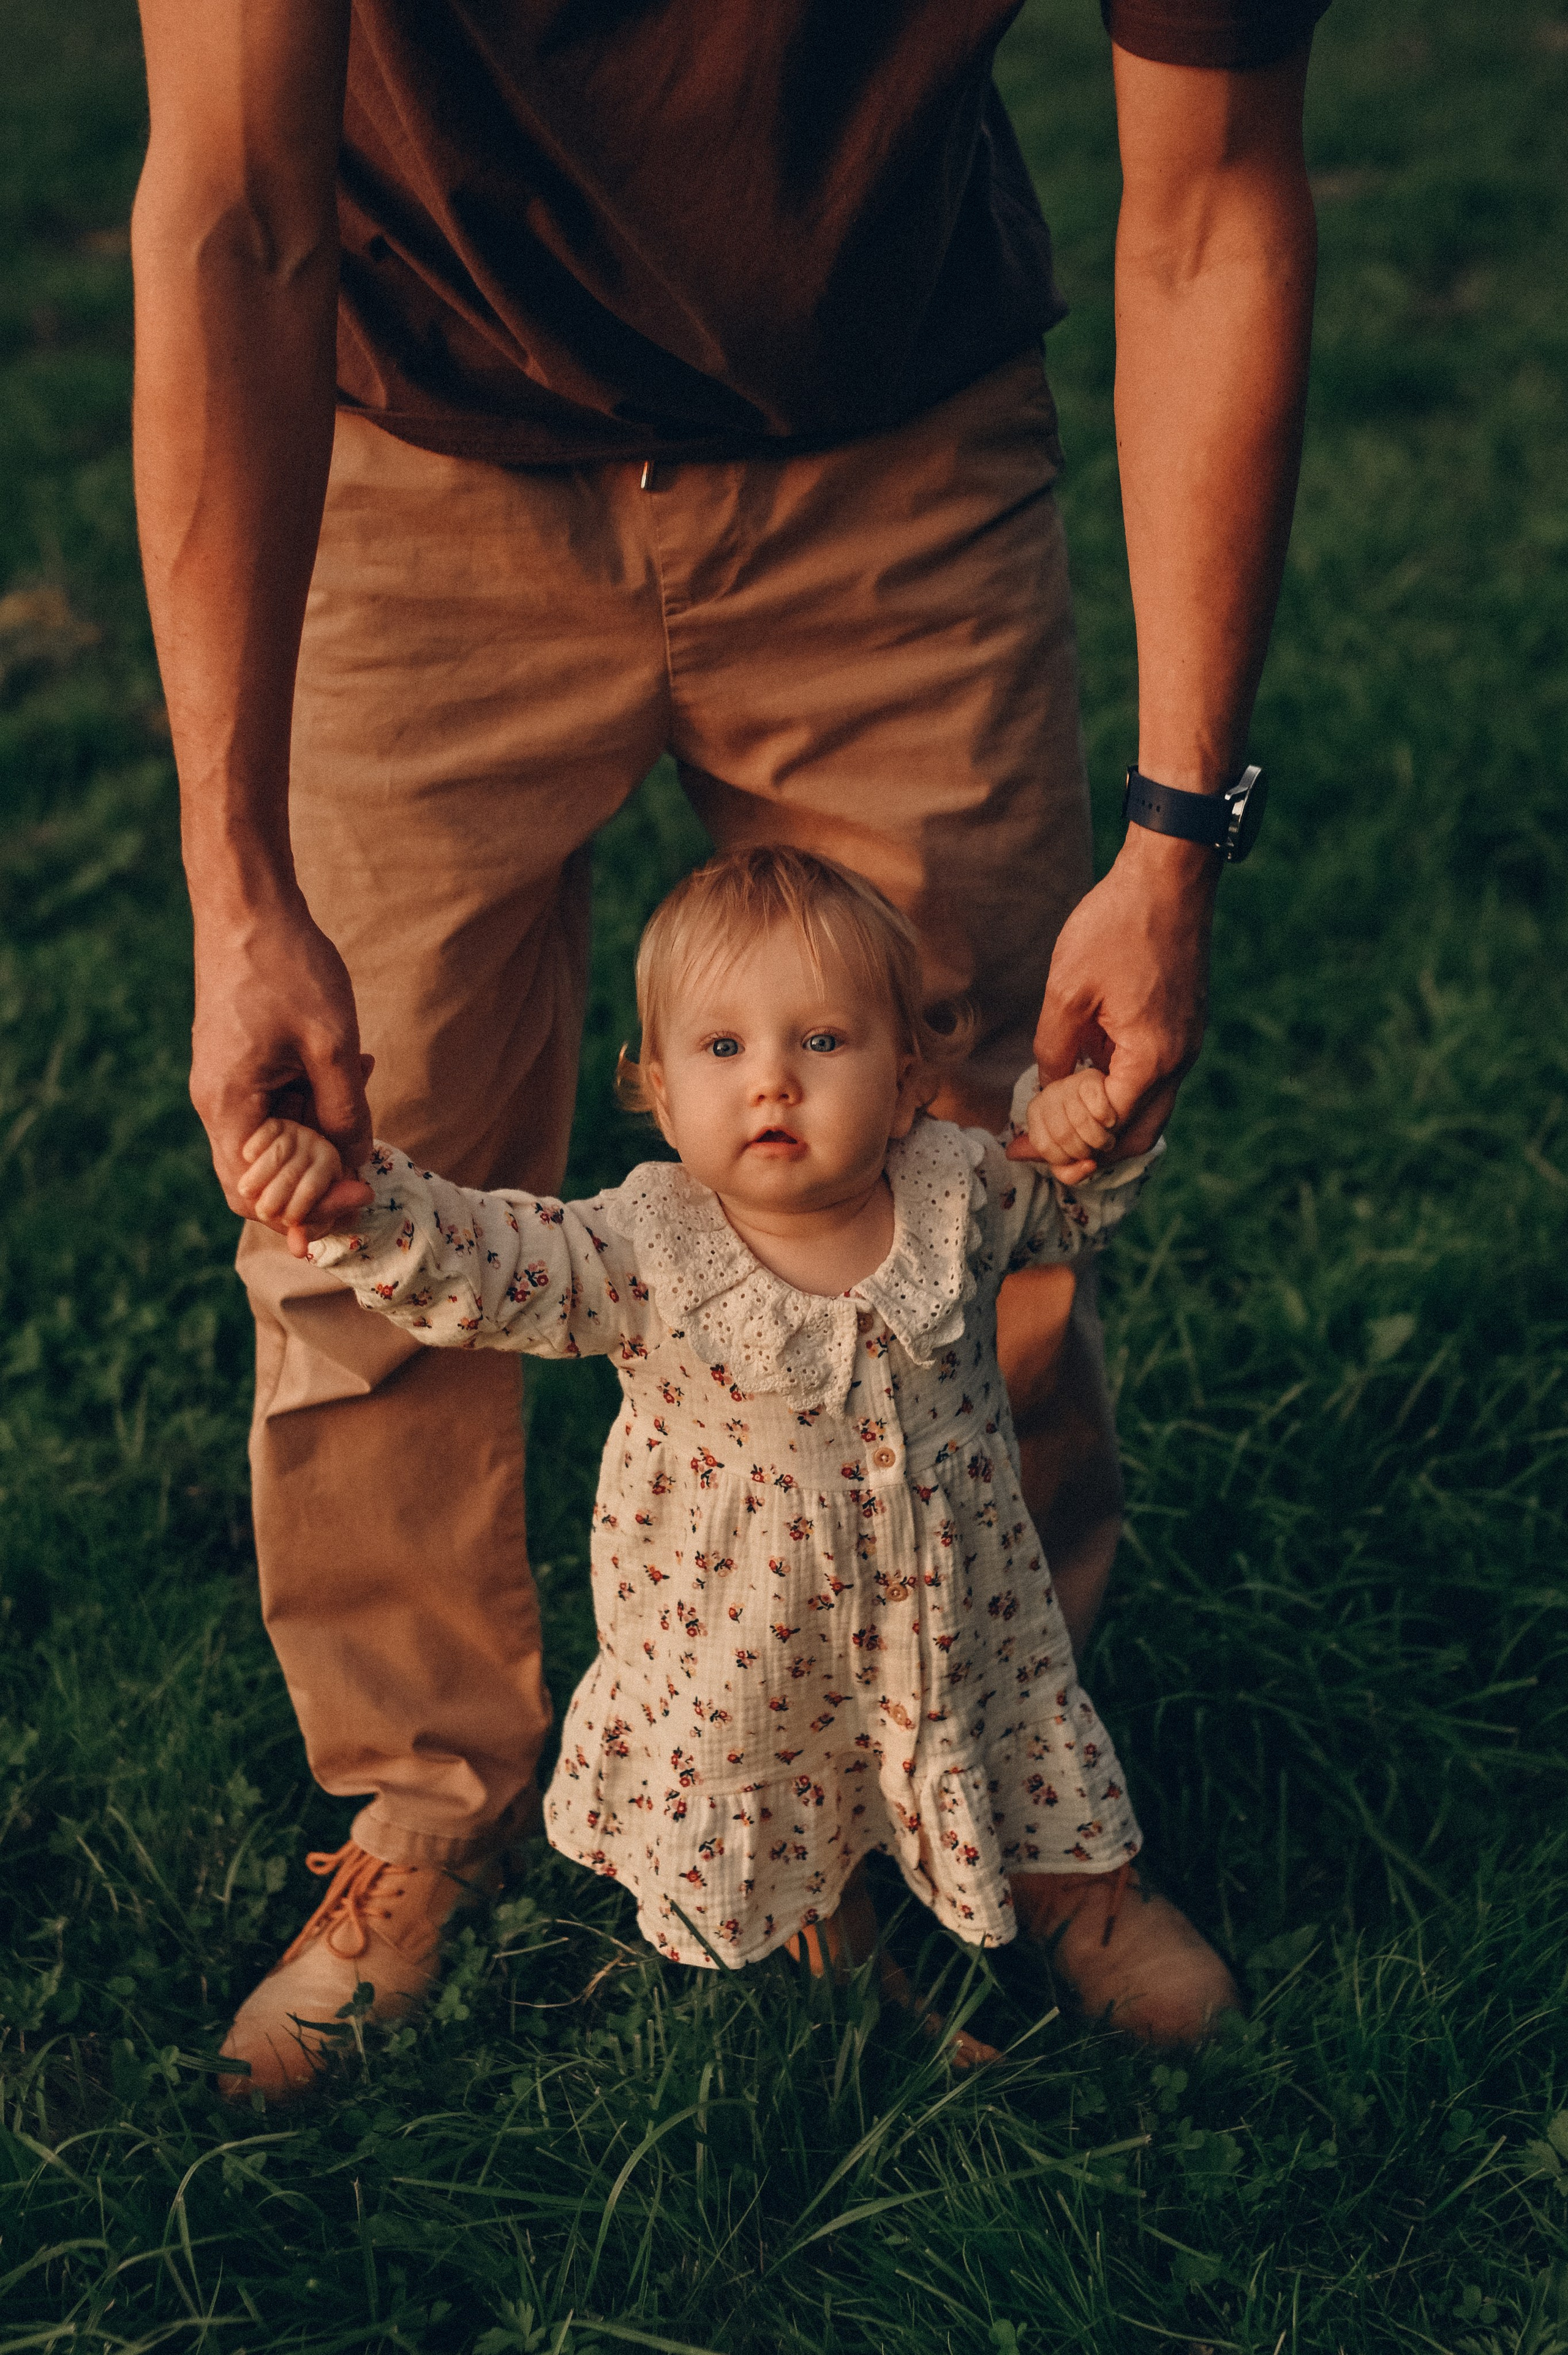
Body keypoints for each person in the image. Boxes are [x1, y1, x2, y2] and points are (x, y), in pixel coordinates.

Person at [130, 0, 1323, 2099]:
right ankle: (426, 1798)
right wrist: (235, 887)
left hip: (894, 447)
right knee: (358, 1178)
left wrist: (1172, 841)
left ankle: (1026, 1804)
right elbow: (233, 207)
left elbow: (1212, 204)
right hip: (414, 442)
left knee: (969, 1167)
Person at [223, 848, 1236, 2095]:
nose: (771, 1079)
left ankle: (1065, 1874)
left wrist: (1077, 1121)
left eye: (822, 1040)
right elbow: (483, 1259)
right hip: (745, 1648)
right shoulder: (639, 1250)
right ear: (655, 1090)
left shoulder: (960, 1190)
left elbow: (1066, 1204)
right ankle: (821, 1931)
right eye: (720, 1048)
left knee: (1003, 1714)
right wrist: (358, 1204)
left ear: (908, 1082)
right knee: (774, 1777)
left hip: (960, 1617)